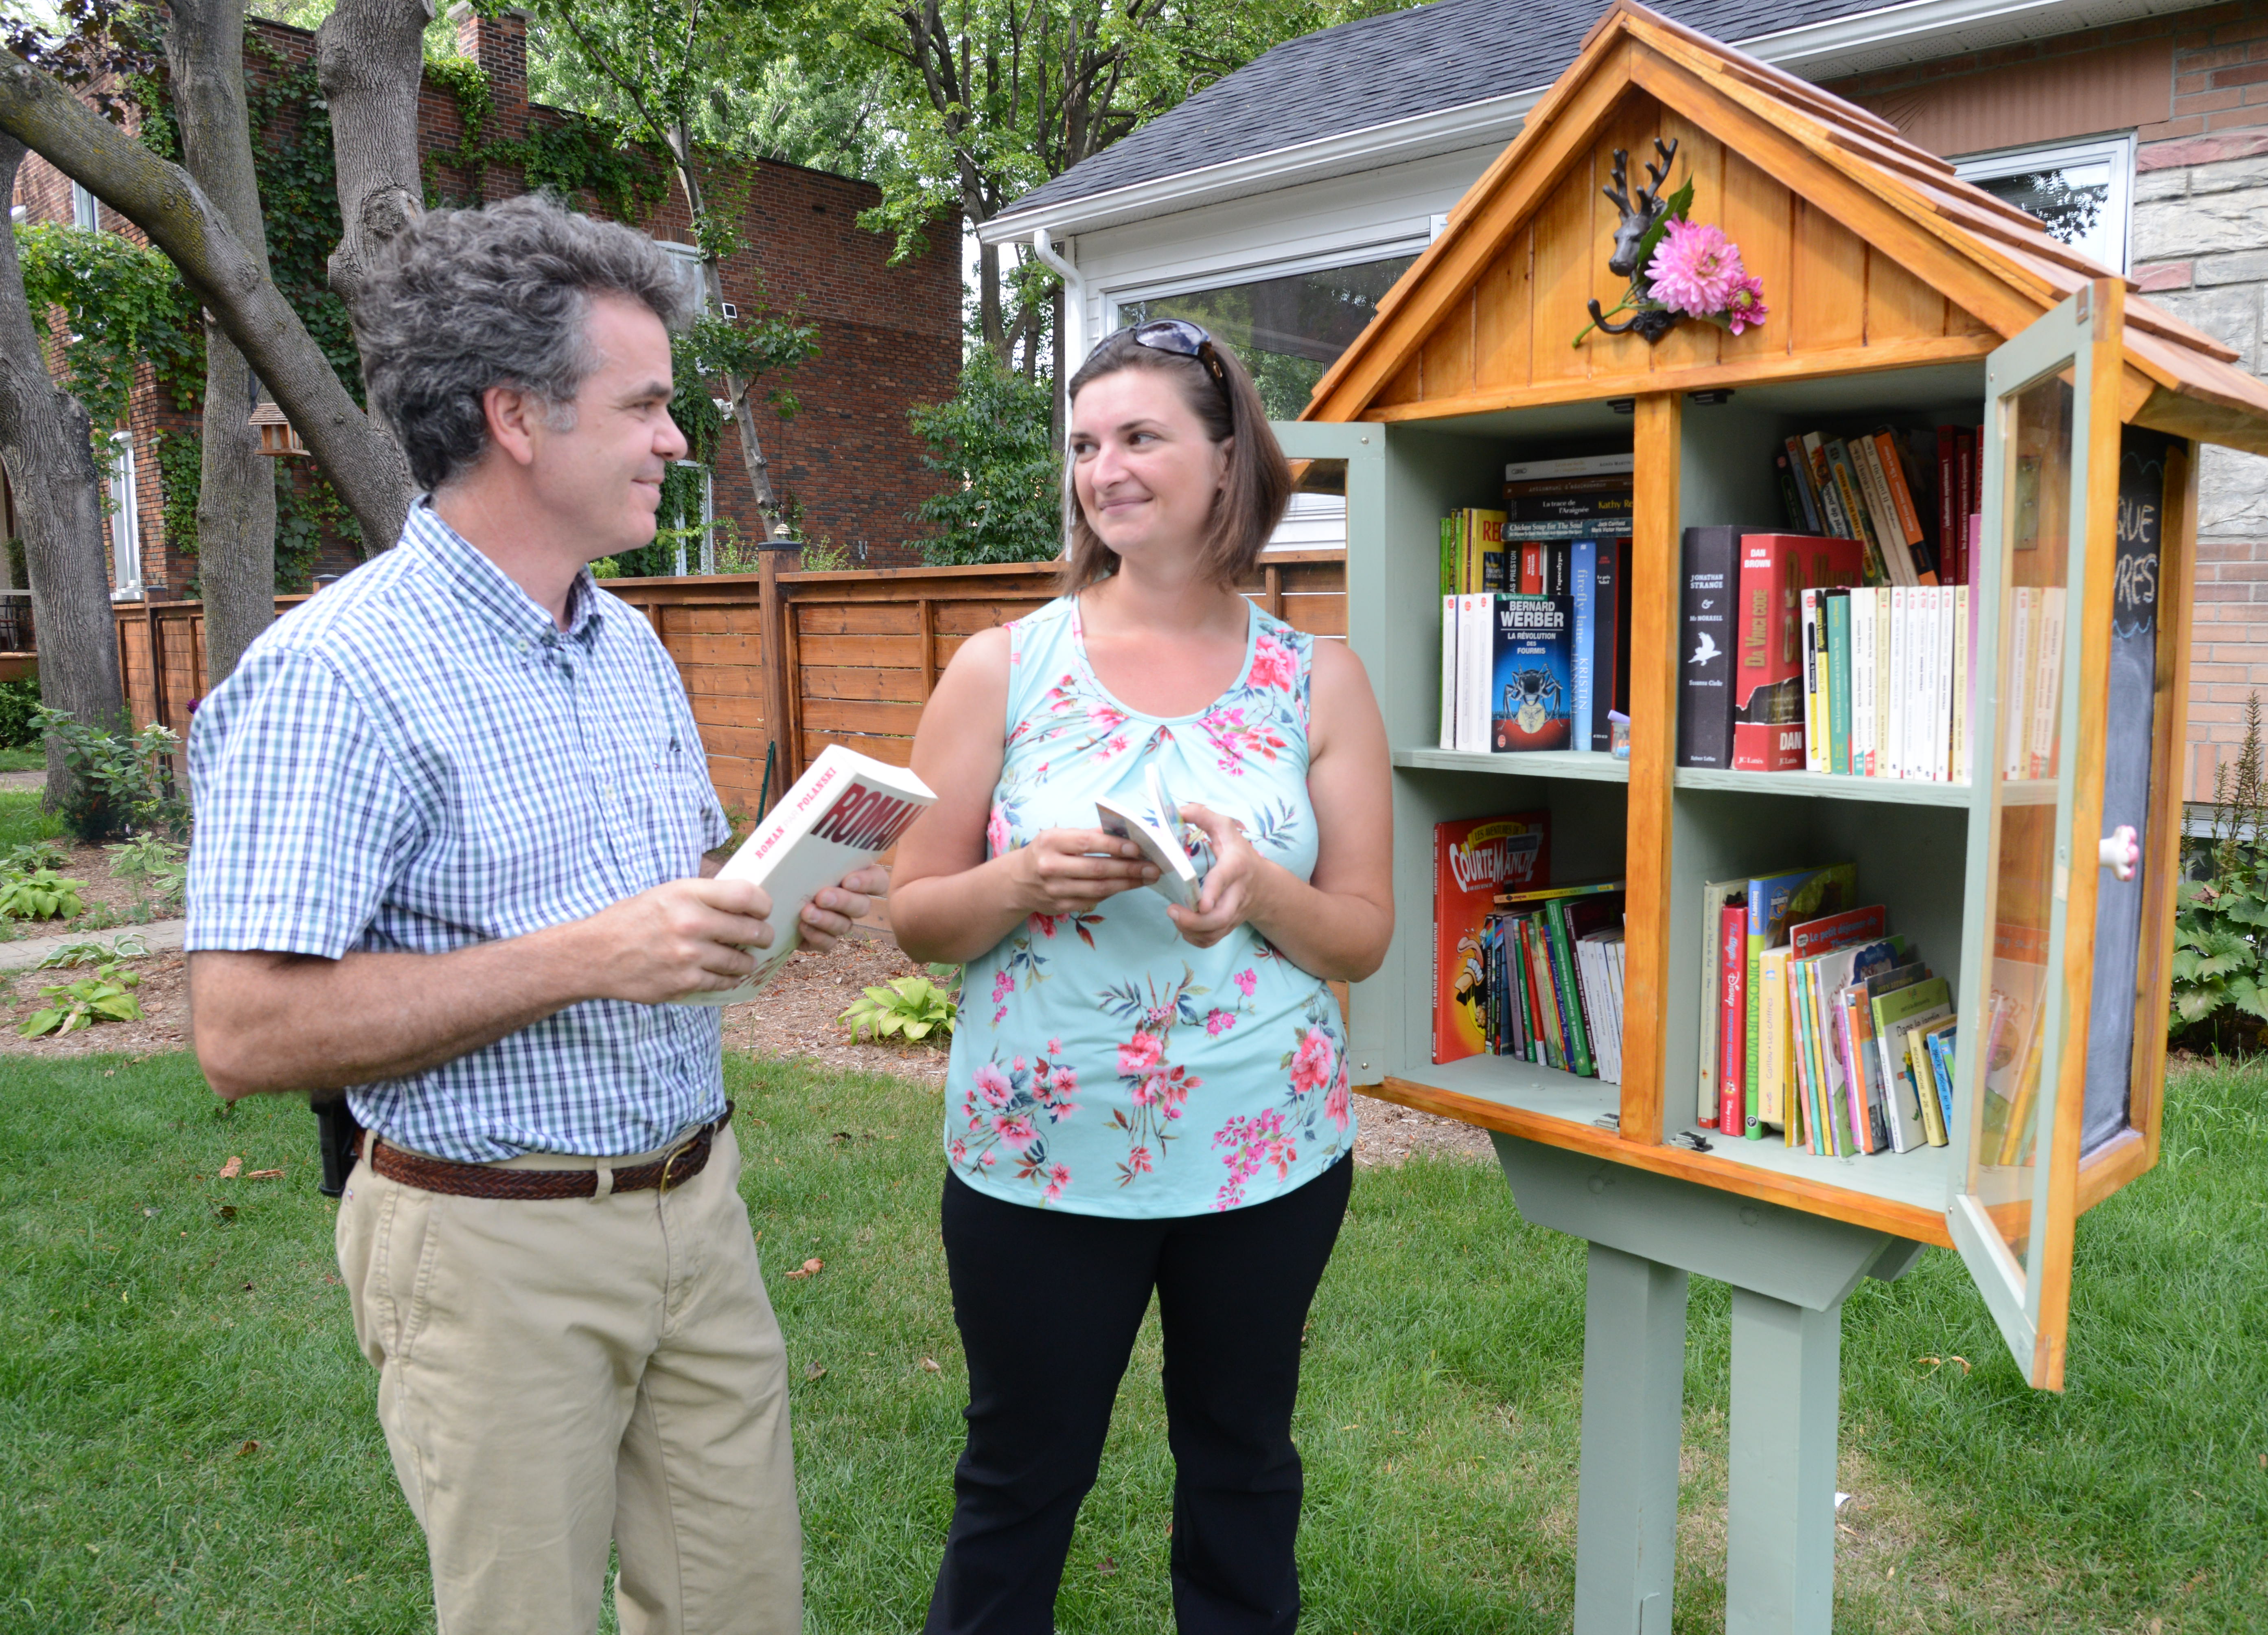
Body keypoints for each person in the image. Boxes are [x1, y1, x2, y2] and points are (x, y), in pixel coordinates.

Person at [184, 195, 881, 1635]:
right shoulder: (337, 675)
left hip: (698, 1211)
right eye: (645, 406)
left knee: (745, 1611)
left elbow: (653, 913)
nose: (674, 440)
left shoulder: (625, 643)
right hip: (490, 1248)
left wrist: (767, 899)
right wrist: (589, 957)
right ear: (515, 415)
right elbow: (243, 1032)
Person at [889, 319, 1395, 1635]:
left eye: (1139, 437)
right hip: (1039, 1155)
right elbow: (917, 917)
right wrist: (1022, 884)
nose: (1104, 469)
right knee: (1019, 1476)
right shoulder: (1001, 665)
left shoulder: (1316, 679)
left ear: (1229, 461)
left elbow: (1363, 937)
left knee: (1242, 1468)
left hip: (1265, 1156)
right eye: (1085, 445)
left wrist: (1260, 893)